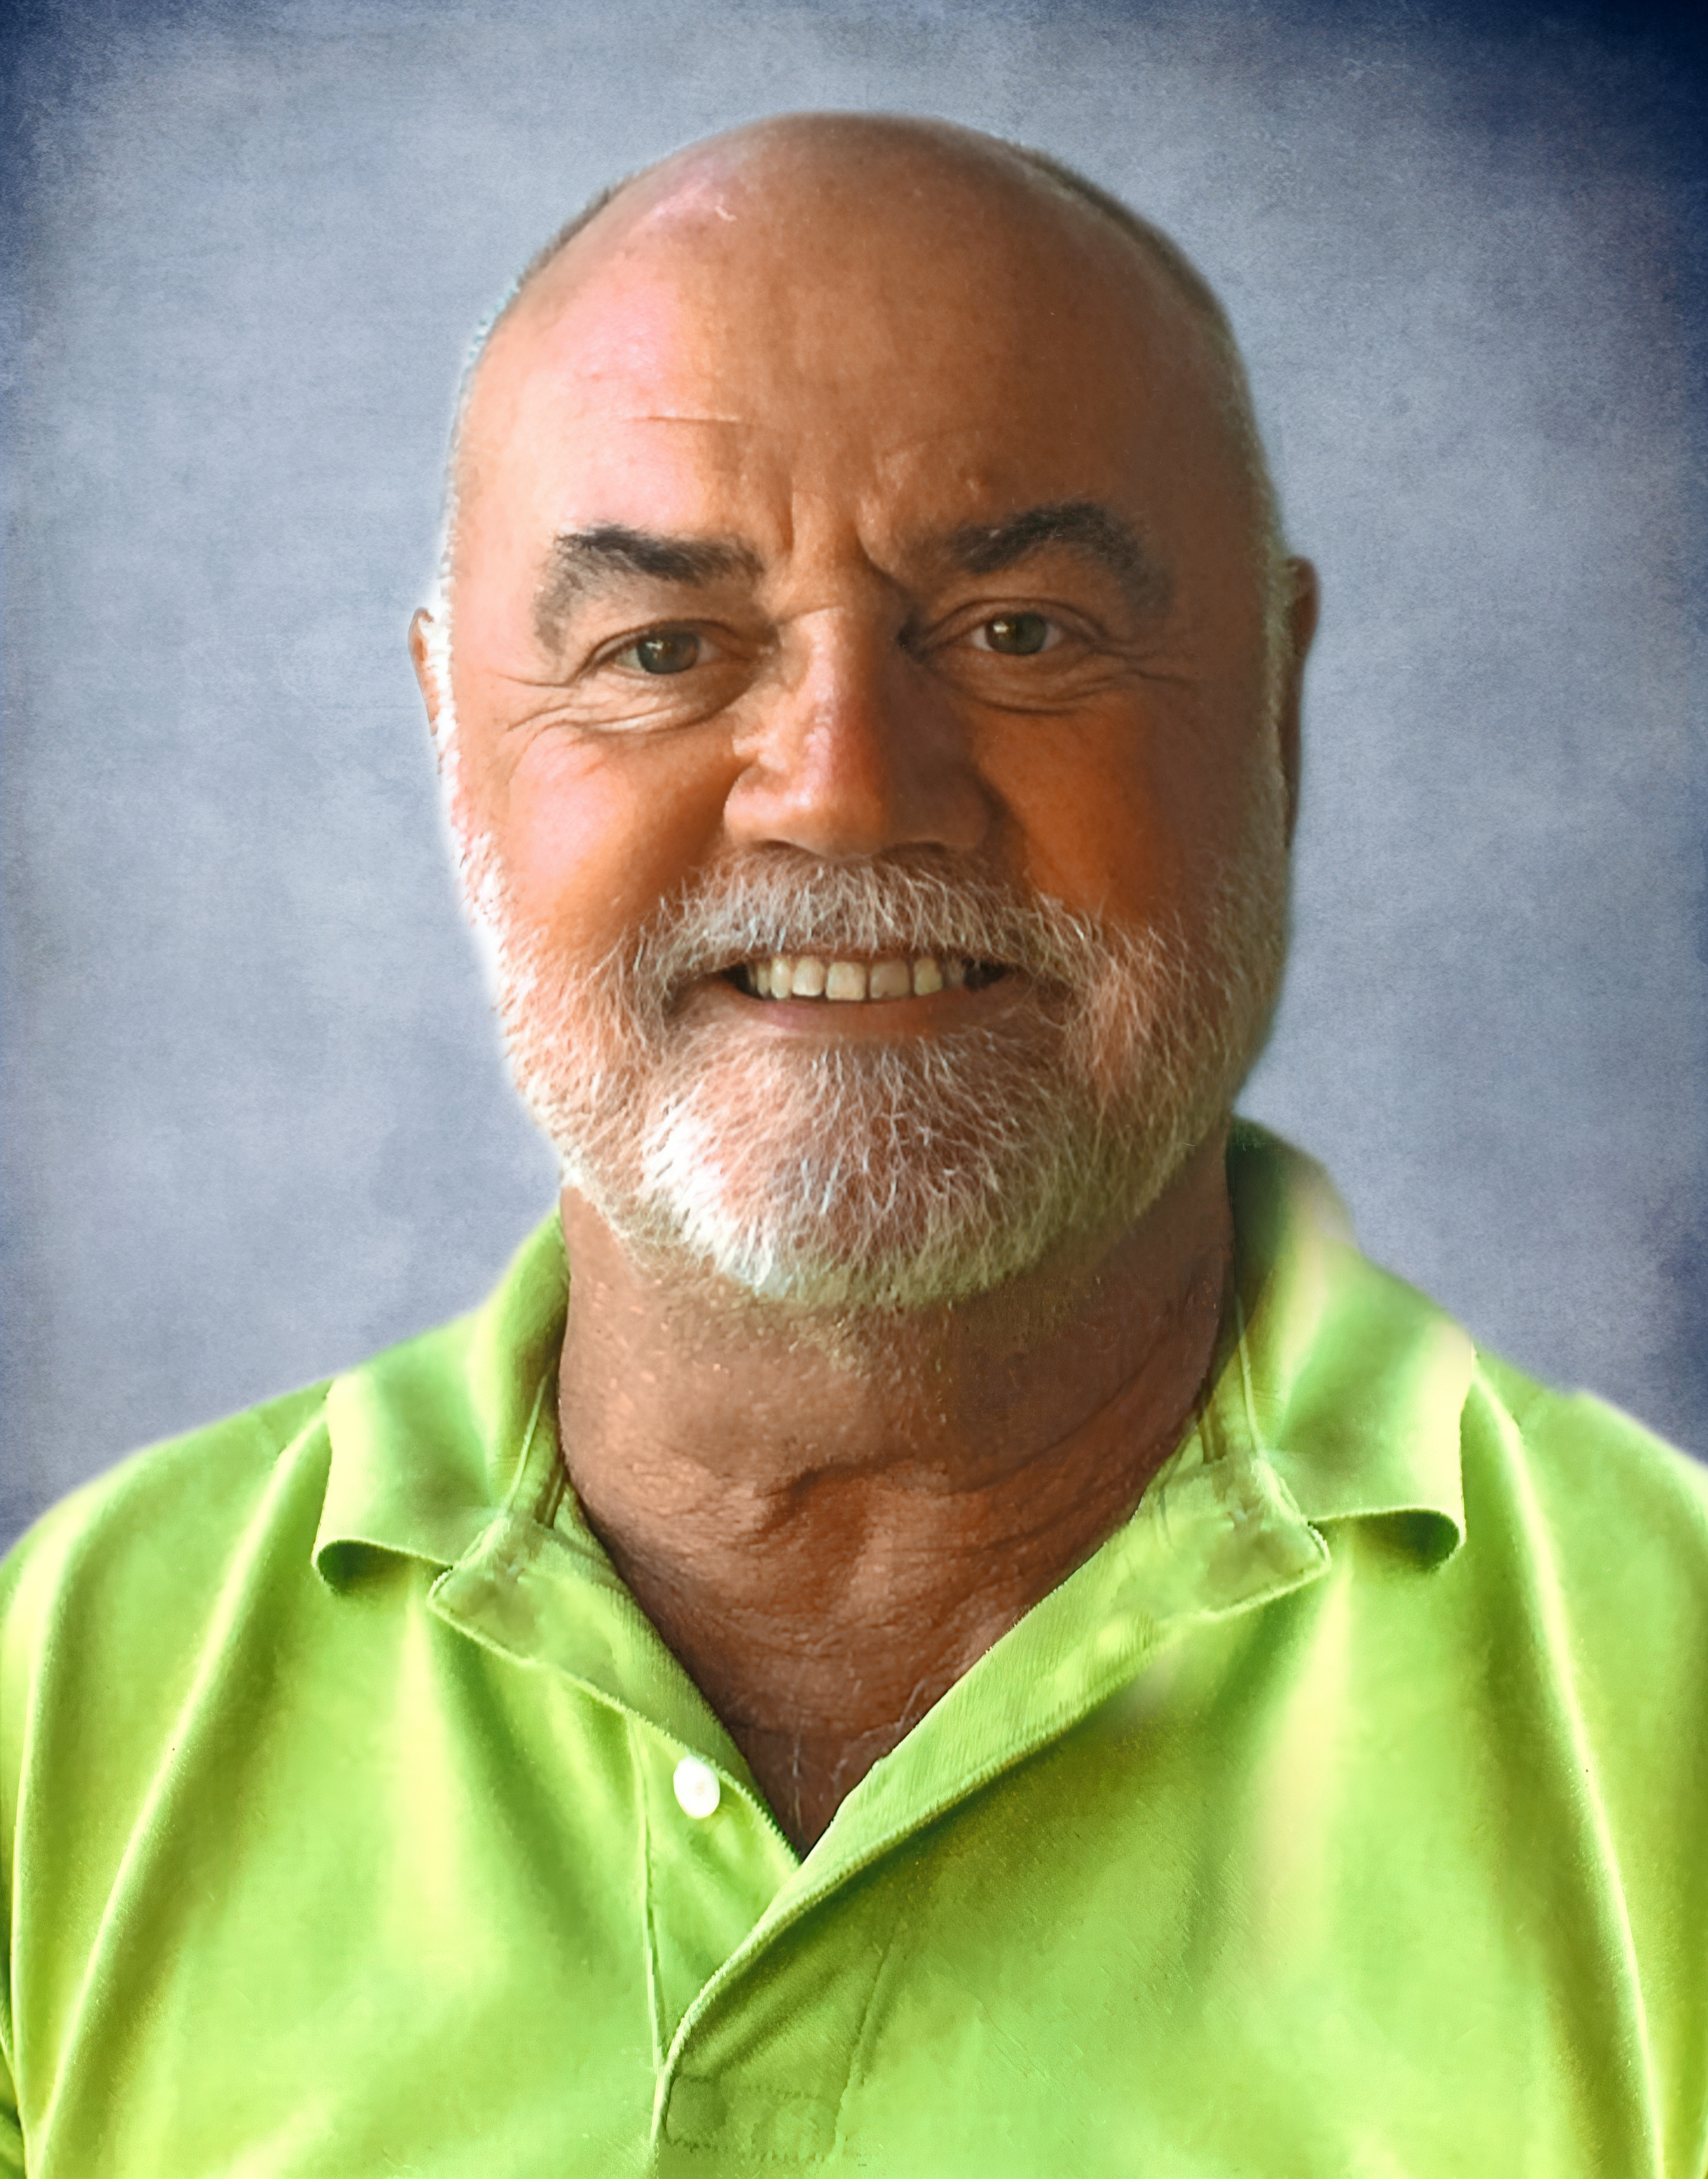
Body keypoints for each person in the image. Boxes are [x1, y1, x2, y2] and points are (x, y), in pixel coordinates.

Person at [1, 111, 1703, 2179]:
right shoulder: (61, 1707)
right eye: (661, 650)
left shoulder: (1672, 1714)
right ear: (452, 733)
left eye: (1019, 632)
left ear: (1273, 704)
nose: (839, 790)